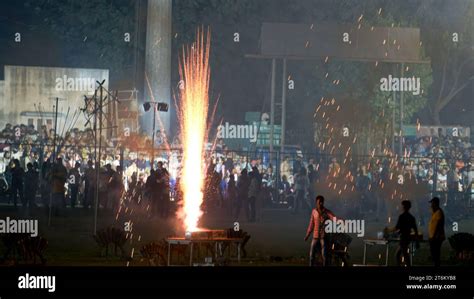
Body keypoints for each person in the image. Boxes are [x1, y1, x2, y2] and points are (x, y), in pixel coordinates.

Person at [304, 195, 336, 266]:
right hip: (315, 236)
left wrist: (340, 221)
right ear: (316, 203)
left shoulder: (327, 212)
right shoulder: (314, 212)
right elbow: (311, 224)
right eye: (319, 202)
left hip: (323, 237)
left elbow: (334, 218)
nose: (320, 204)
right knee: (311, 255)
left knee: (324, 255)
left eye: (321, 202)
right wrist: (307, 235)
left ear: (323, 202)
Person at [394, 200, 419, 266]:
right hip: (408, 237)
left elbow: (397, 227)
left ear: (404, 207)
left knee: (404, 254)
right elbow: (415, 229)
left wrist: (391, 230)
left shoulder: (401, 216)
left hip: (403, 238)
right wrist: (417, 240)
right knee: (399, 254)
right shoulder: (411, 217)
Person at [428, 197, 445, 267]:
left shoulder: (439, 212)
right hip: (434, 237)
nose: (431, 205)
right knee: (434, 254)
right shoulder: (435, 212)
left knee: (435, 254)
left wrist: (434, 236)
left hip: (436, 237)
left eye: (432, 203)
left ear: (435, 203)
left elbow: (438, 226)